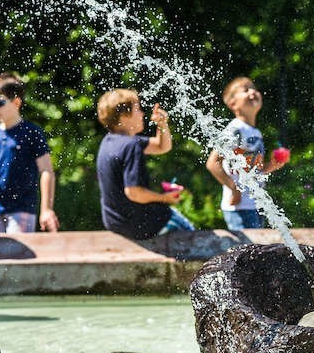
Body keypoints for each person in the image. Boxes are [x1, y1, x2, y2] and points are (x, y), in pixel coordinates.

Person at [95, 88, 194, 240]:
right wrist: (165, 198)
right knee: (192, 234)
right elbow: (134, 192)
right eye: (138, 109)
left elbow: (162, 147)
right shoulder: (131, 145)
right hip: (140, 224)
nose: (142, 114)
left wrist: (162, 124)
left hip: (115, 222)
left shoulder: (108, 142)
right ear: (124, 116)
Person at [0, 72, 60, 234]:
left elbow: (46, 170)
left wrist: (46, 209)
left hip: (21, 209)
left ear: (16, 102)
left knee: (17, 258)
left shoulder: (31, 132)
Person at [206, 77, 288, 230]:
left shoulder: (255, 132)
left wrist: (271, 166)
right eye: (245, 90)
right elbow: (212, 163)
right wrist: (234, 188)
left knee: (255, 251)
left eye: (254, 88)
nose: (253, 92)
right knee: (248, 251)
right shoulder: (235, 129)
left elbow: (255, 170)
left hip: (255, 205)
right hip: (240, 208)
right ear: (233, 104)